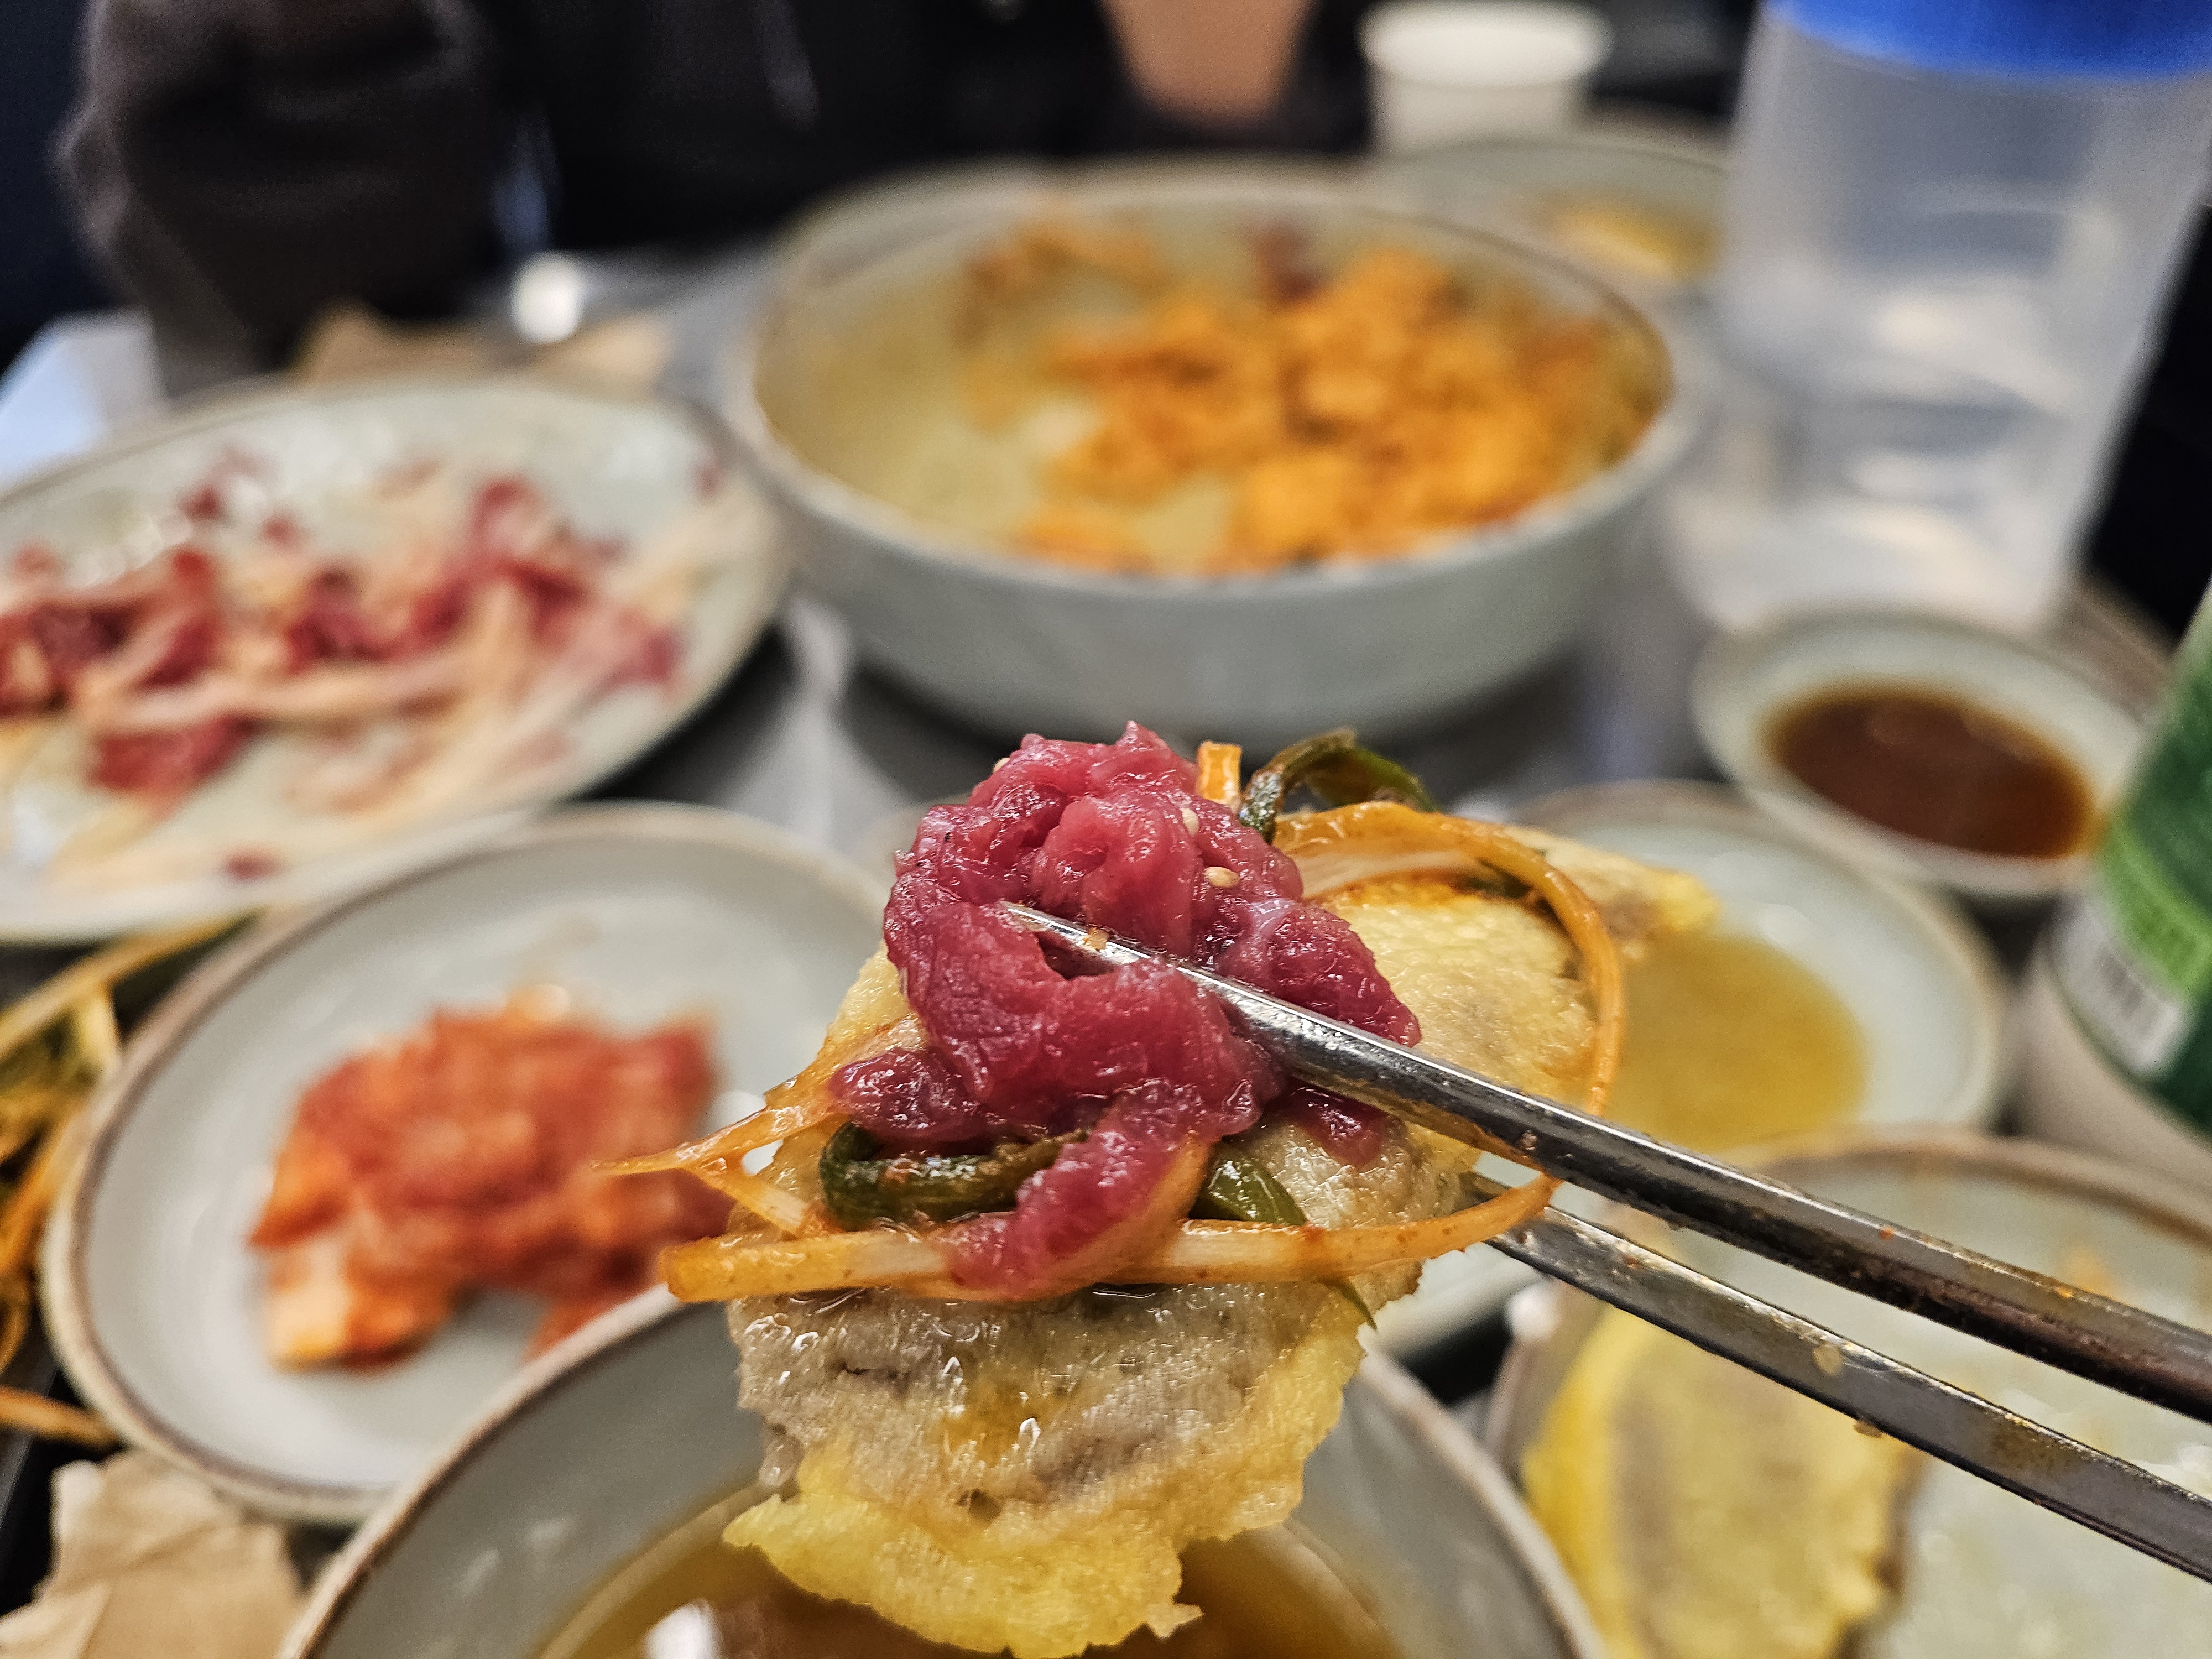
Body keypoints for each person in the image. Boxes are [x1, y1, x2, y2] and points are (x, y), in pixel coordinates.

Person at [59, 0, 1368, 382]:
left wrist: (1213, 91)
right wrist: (312, 34)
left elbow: (1321, 265)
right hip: (641, 419)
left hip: (1146, 397)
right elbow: (298, 302)